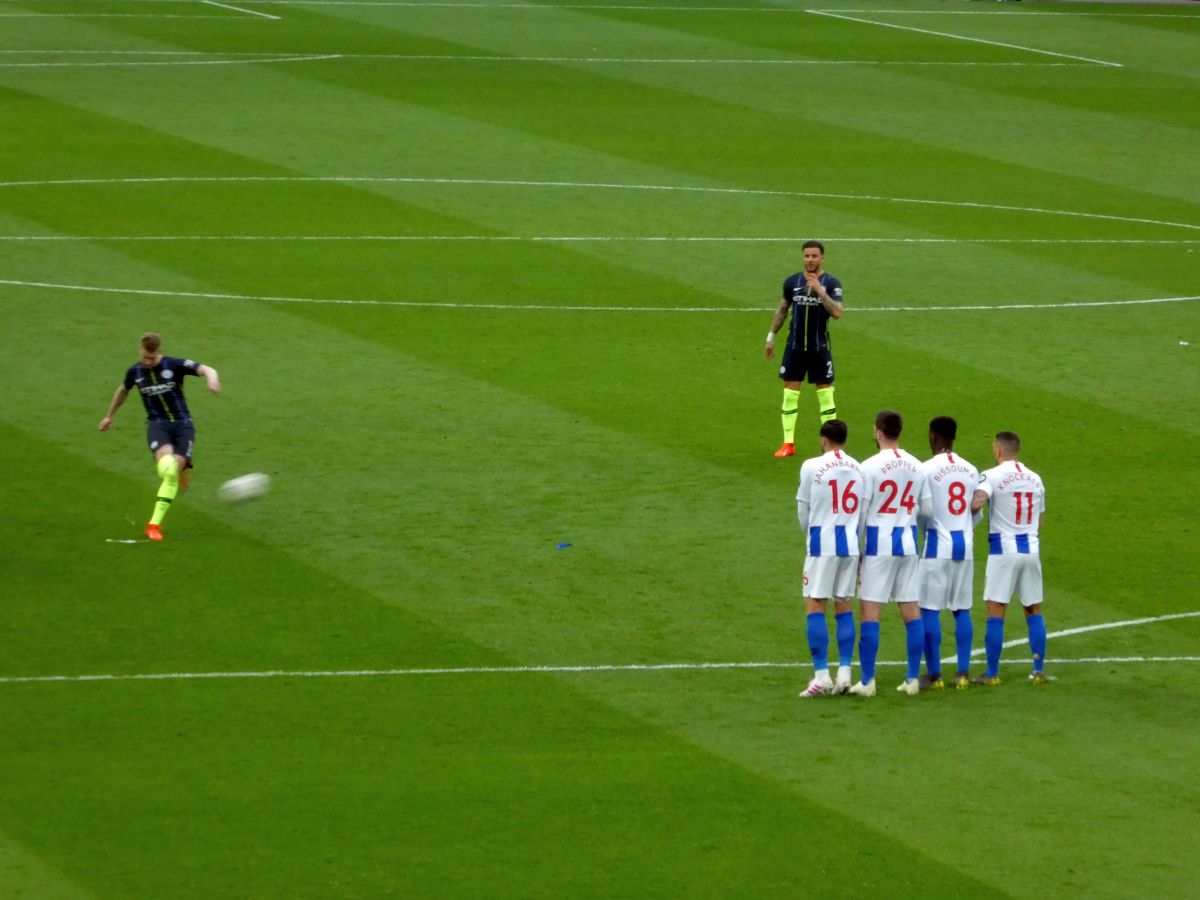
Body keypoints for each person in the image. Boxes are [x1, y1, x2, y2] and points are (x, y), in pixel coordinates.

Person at [98, 332, 221, 541]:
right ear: (140, 350)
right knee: (169, 469)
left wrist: (213, 380)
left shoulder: (174, 365)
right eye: (145, 357)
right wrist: (110, 416)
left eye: (152, 358)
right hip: (157, 425)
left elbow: (206, 368)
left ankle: (182, 471)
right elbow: (123, 390)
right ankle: (153, 525)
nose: (147, 361)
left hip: (183, 425)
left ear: (159, 352)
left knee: (175, 467)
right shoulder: (135, 371)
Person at [849, 410, 927, 697]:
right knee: (911, 611)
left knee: (871, 611)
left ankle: (868, 681)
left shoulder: (868, 467)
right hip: (908, 543)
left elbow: (861, 511)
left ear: (878, 432)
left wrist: (855, 551)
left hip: (878, 545)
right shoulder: (918, 466)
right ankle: (912, 679)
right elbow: (926, 509)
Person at [971, 432, 1048, 686]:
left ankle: (992, 673)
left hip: (1003, 551)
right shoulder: (1036, 479)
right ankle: (1038, 670)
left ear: (998, 450)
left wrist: (973, 505)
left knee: (996, 609)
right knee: (1033, 609)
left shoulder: (991, 476)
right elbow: (1040, 522)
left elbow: (977, 501)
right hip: (1031, 550)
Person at [795, 420, 864, 698]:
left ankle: (822, 675)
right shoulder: (859, 468)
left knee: (814, 606)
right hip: (849, 544)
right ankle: (845, 673)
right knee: (844, 607)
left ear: (824, 439)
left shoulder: (811, 466)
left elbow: (804, 511)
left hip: (822, 545)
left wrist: (810, 537)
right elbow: (863, 512)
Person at [916, 417, 982, 691]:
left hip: (936, 547)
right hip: (964, 547)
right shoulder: (971, 469)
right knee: (961, 608)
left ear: (932, 436)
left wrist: (926, 530)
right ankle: (963, 673)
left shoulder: (925, 469)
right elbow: (976, 511)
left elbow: (923, 511)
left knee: (929, 609)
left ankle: (934, 676)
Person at [764, 240, 843, 458]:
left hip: (819, 348)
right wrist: (771, 336)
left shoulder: (831, 283)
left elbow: (837, 312)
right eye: (807, 256)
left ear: (822, 258)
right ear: (803, 257)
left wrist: (819, 291)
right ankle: (788, 443)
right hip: (795, 348)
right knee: (790, 394)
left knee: (826, 396)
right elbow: (782, 309)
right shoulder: (792, 282)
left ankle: (831, 446)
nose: (810, 260)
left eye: (814, 256)